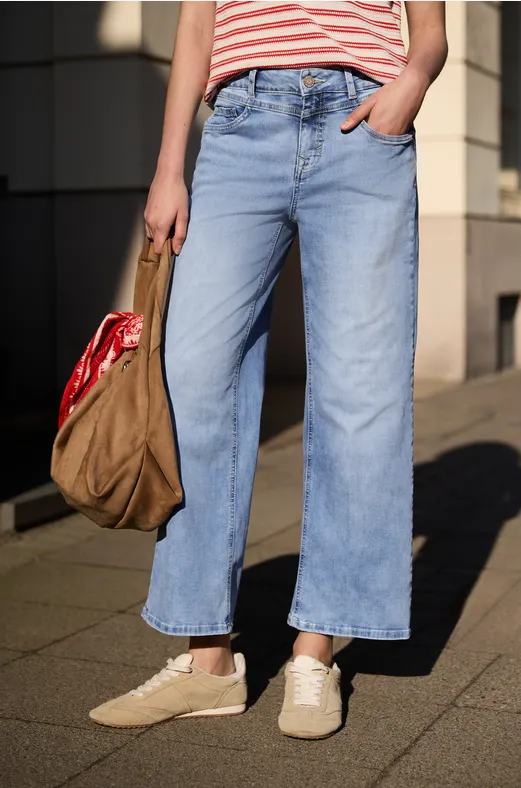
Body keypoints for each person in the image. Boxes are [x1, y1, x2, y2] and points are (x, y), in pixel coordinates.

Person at [89, 1, 447, 739]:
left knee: (359, 388)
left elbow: (432, 28)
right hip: (238, 126)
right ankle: (207, 662)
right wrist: (169, 170)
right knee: (191, 377)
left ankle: (315, 650)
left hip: (362, 124)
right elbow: (196, 24)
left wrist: (411, 80)